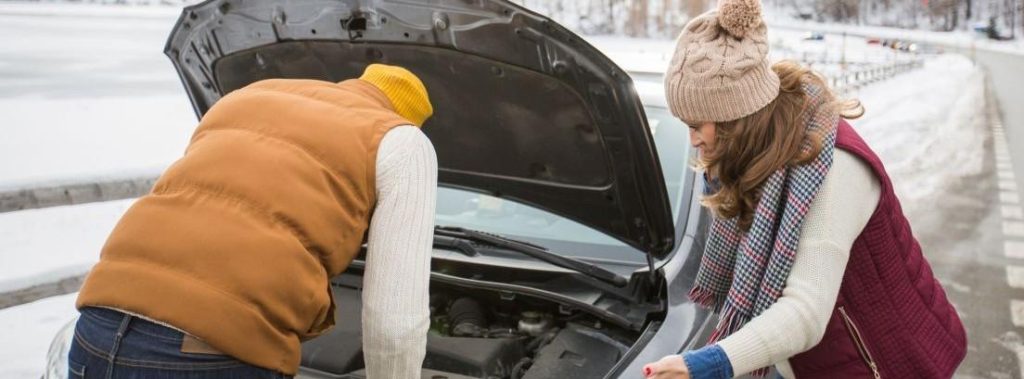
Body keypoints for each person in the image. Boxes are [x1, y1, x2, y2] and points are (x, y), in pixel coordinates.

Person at [642, 1, 967, 378]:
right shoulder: (754, 159)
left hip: (886, 360)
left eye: (697, 124)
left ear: (737, 119)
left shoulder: (836, 168)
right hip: (811, 362)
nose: (692, 138)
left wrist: (706, 364)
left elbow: (806, 312)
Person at [70, 64, 438, 379]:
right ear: (409, 119)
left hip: (95, 326)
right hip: (208, 352)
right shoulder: (402, 142)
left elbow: (202, 201)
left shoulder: (247, 96)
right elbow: (395, 329)